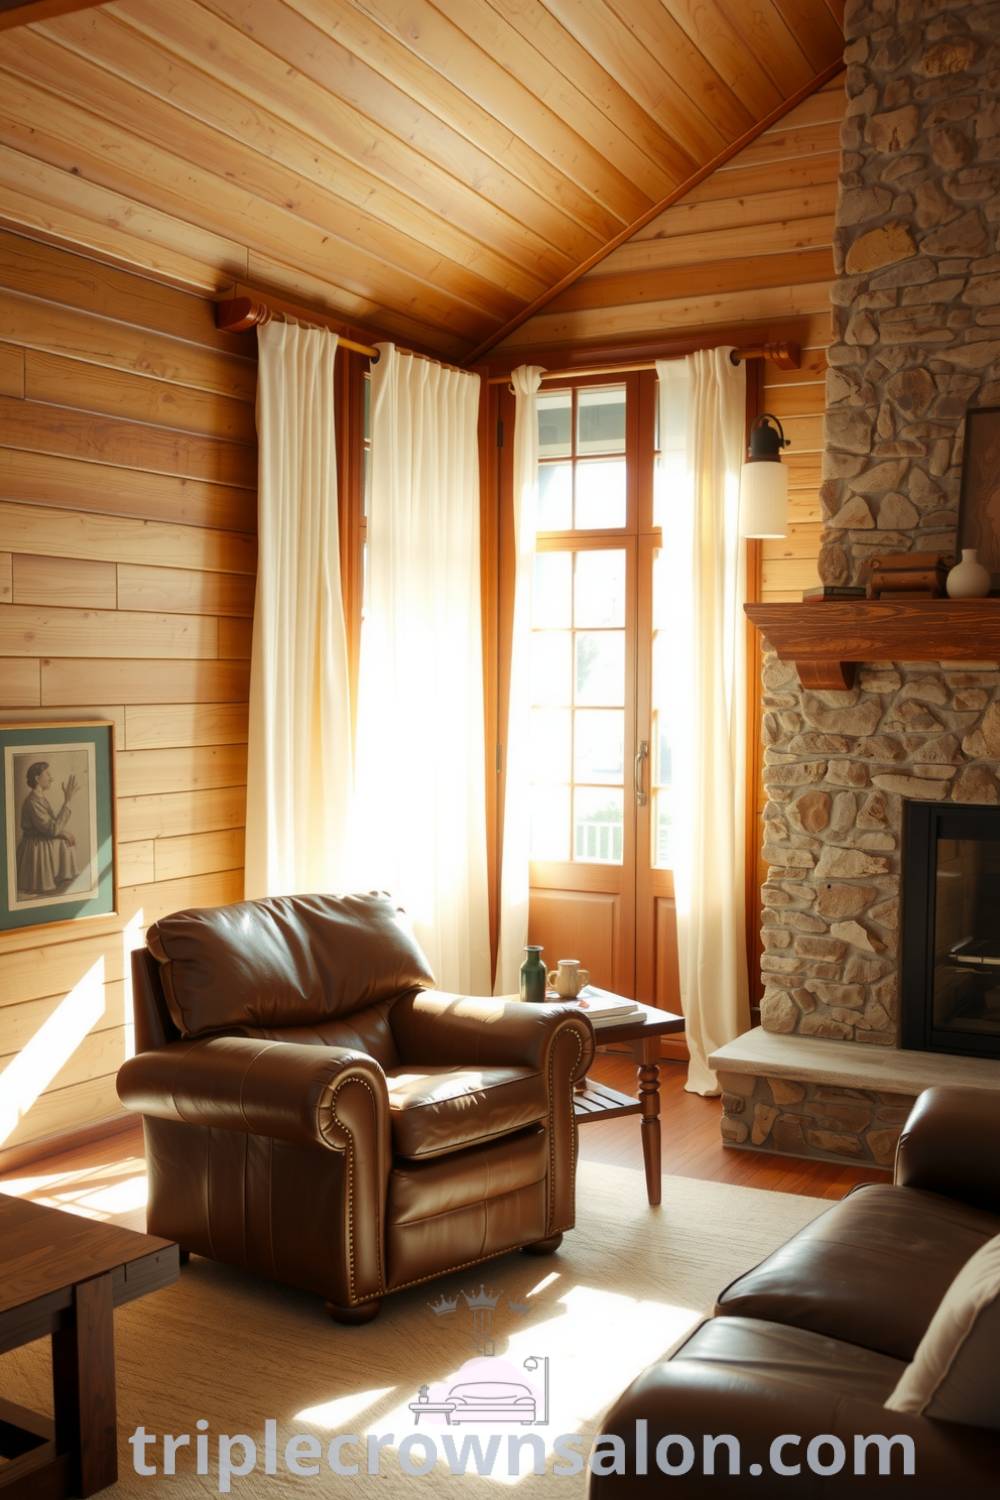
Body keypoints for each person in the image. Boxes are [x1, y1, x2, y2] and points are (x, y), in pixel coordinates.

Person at [15, 761, 79, 897]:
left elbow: (52, 826)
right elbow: (53, 829)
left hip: (42, 842)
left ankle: (63, 879)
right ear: (37, 779)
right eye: (48, 774)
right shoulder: (33, 802)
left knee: (65, 841)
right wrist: (67, 801)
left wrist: (63, 833)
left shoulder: (40, 799)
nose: (51, 778)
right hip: (35, 849)